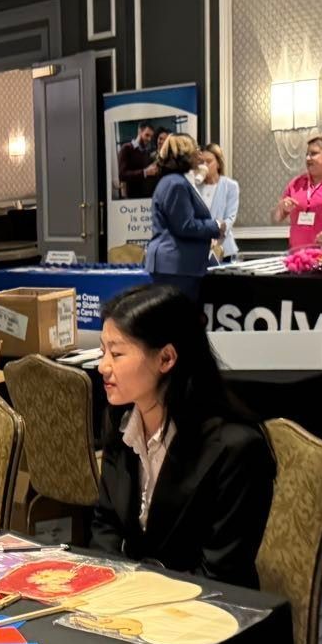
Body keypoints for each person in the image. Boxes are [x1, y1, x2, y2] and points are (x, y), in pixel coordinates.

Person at [90, 284, 274, 588]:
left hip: (206, 612)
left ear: (166, 358)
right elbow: (105, 526)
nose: (102, 366)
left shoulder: (235, 448)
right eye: (102, 351)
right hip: (127, 603)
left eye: (117, 353)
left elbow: (221, 572)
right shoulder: (122, 424)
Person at [144, 133, 226, 301]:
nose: (200, 154)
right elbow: (185, 226)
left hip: (174, 266)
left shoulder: (172, 181)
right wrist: (216, 226)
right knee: (180, 321)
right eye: (196, 149)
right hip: (177, 267)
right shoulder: (176, 184)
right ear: (185, 154)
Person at [194, 142, 240, 262]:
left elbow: (230, 218)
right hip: (199, 249)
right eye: (201, 162)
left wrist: (217, 238)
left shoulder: (230, 186)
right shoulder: (195, 187)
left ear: (218, 163)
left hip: (223, 249)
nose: (204, 165)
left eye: (209, 162)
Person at [116, 122, 158, 199]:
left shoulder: (146, 152)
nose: (149, 139)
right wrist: (145, 172)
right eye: (147, 135)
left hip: (146, 196)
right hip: (132, 199)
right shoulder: (126, 148)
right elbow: (121, 175)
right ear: (139, 131)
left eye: (151, 137)